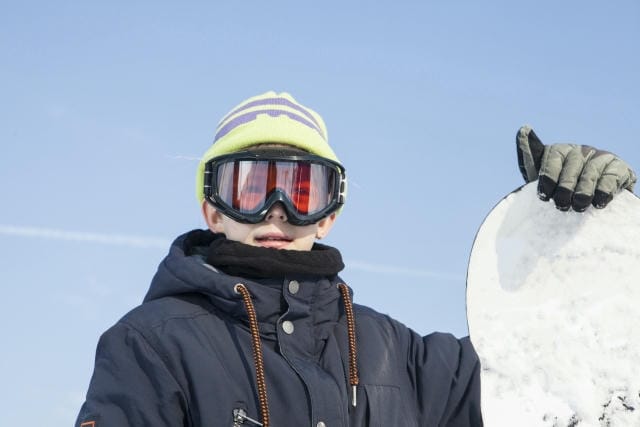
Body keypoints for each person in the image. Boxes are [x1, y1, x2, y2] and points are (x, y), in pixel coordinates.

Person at [75, 92, 636, 427]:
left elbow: (572, 383)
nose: (276, 212)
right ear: (212, 210)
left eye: (301, 191)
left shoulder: (403, 359)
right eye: (250, 187)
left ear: (329, 214)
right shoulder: (150, 346)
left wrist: (585, 240)